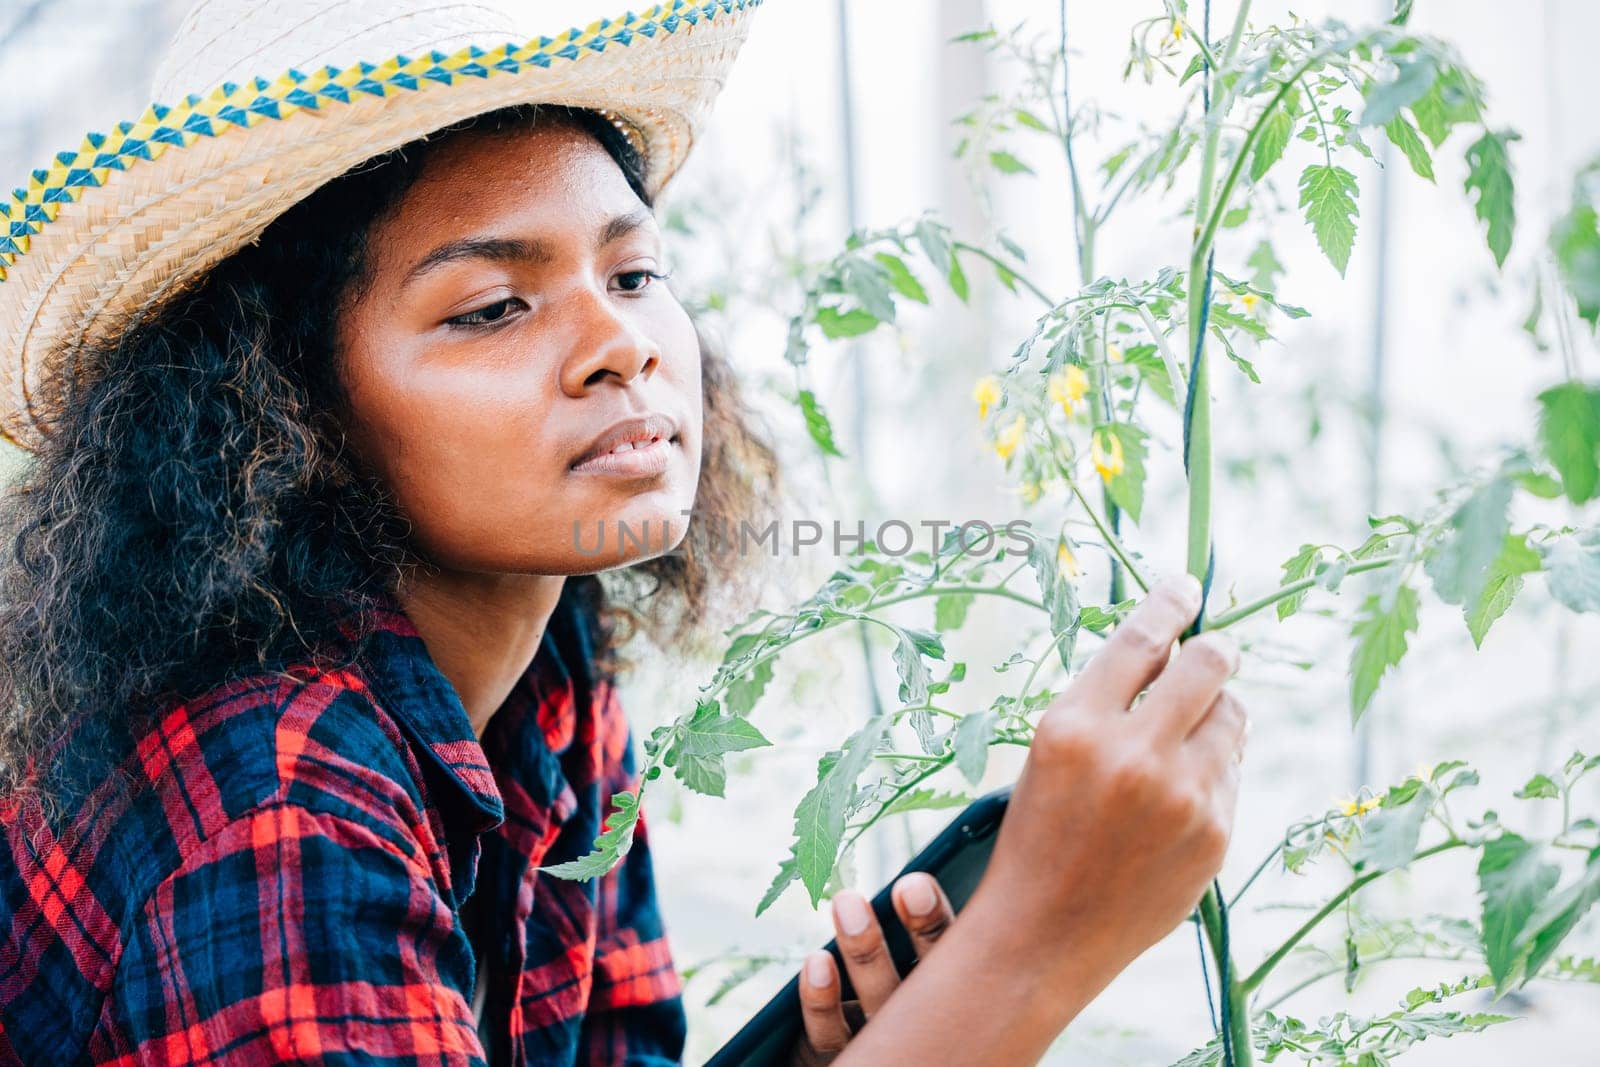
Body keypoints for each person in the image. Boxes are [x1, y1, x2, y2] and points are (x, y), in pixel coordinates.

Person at [0, 1, 1247, 1064]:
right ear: (278, 411)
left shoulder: (548, 671)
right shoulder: (278, 811)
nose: (622, 344)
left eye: (635, 273)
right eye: (493, 306)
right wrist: (1032, 948)